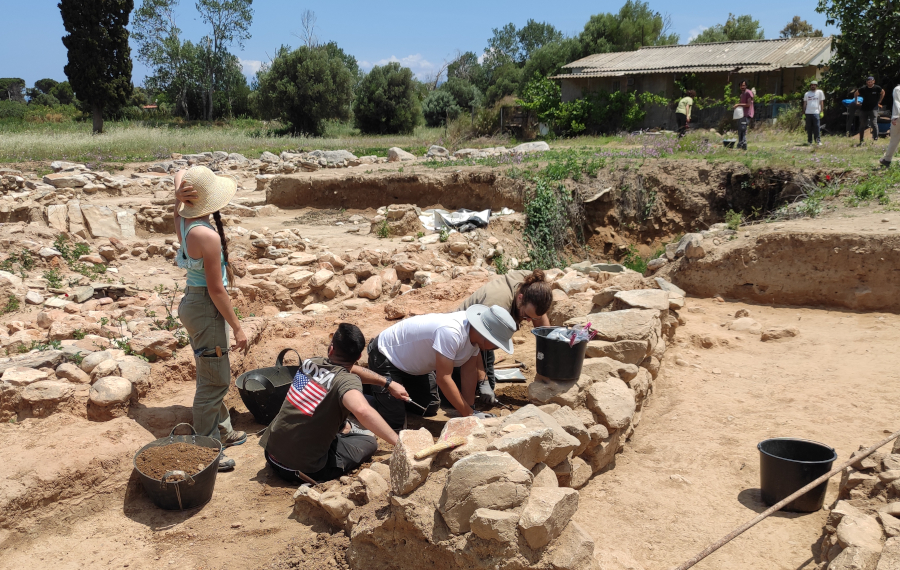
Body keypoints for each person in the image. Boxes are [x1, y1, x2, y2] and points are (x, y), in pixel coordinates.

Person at [259, 323, 403, 484]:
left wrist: (387, 383)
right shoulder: (346, 382)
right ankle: (341, 433)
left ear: (331, 349)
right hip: (304, 470)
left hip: (271, 454)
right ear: (359, 357)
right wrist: (399, 443)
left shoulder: (310, 363)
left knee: (323, 413)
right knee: (369, 442)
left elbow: (351, 370)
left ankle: (342, 428)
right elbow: (362, 410)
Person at [174, 165, 249, 472]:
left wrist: (177, 193)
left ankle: (224, 430)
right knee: (215, 381)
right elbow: (217, 290)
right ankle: (205, 449)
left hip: (191, 303)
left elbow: (179, 170)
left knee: (210, 367)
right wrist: (238, 327)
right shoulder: (208, 235)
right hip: (205, 308)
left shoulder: (184, 220)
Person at [366, 304, 517, 431]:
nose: (497, 348)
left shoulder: (475, 337)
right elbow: (443, 379)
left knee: (429, 407)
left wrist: (471, 409)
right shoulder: (451, 332)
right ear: (486, 335)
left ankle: (389, 393)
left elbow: (469, 372)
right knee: (395, 423)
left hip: (413, 367)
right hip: (386, 356)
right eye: (497, 343)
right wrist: (469, 415)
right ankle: (367, 386)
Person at [455, 270, 553, 404]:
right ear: (520, 298)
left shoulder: (532, 285)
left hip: (485, 336)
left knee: (488, 390)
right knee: (459, 396)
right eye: (526, 316)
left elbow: (542, 326)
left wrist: (549, 360)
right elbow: (474, 345)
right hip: (460, 338)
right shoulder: (497, 306)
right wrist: (482, 381)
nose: (529, 321)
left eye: (533, 318)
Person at [856, 77, 885, 144]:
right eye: (868, 82)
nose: (870, 83)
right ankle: (861, 139)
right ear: (866, 82)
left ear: (874, 81)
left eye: (871, 82)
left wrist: (880, 101)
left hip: (874, 108)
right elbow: (856, 93)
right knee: (862, 124)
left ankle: (875, 138)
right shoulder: (863, 89)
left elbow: (883, 92)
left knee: (873, 123)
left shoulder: (877, 88)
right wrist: (856, 101)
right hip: (864, 108)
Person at [880, 84, 900, 167]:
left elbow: (897, 103)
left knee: (894, 138)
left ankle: (887, 159)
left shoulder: (898, 89)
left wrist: (895, 116)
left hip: (898, 117)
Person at [733, 80, 754, 151]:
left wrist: (738, 104)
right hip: (742, 115)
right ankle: (741, 145)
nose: (742, 87)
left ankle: (742, 145)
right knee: (740, 130)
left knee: (742, 130)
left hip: (746, 114)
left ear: (746, 86)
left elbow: (748, 104)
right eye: (741, 85)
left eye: (744, 85)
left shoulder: (748, 92)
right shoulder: (742, 94)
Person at [804, 80, 825, 146]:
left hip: (816, 112)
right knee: (809, 127)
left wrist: (821, 111)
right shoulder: (807, 94)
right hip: (808, 112)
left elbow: (821, 102)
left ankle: (818, 141)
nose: (813, 86)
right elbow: (804, 103)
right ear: (810, 86)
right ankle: (809, 141)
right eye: (812, 85)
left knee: (816, 127)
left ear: (816, 86)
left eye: (814, 85)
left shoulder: (820, 92)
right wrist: (803, 113)